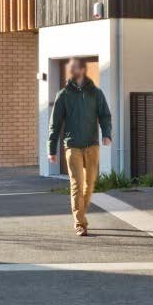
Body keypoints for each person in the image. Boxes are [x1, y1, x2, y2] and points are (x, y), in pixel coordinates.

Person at [48, 58, 112, 236]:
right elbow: (55, 124)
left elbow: (105, 115)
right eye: (71, 67)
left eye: (75, 67)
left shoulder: (95, 93)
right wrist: (51, 149)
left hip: (92, 145)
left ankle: (81, 215)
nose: (72, 69)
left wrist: (106, 133)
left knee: (89, 185)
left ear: (83, 69)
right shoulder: (64, 95)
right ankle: (80, 223)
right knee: (77, 184)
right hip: (72, 146)